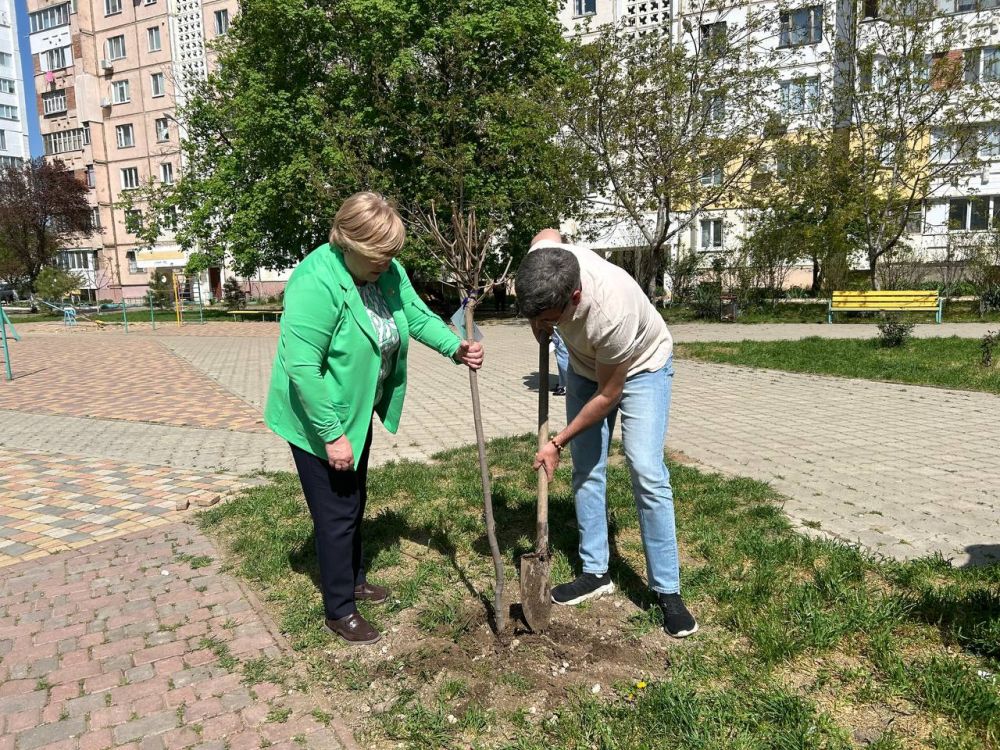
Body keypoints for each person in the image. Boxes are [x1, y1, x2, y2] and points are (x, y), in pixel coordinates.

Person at [264, 192, 484, 646]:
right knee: (336, 511)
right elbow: (302, 368)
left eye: (391, 255)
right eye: (379, 256)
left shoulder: (385, 271)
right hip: (317, 415)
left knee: (354, 499)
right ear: (349, 244)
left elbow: (415, 317)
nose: (388, 263)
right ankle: (339, 608)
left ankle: (354, 576)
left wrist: (455, 348)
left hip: (355, 409)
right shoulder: (315, 282)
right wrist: (332, 436)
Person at [514, 229, 697, 638]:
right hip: (583, 365)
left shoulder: (611, 312)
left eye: (547, 318)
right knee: (587, 468)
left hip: (640, 368)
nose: (540, 325)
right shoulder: (546, 257)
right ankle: (596, 571)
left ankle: (667, 590)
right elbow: (546, 232)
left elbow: (609, 395)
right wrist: (538, 323)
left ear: (574, 298)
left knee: (645, 468)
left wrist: (557, 441)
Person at [550, 327, 569, 396]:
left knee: (563, 353)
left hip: (560, 322)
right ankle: (562, 384)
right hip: (558, 323)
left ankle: (567, 386)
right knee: (560, 352)